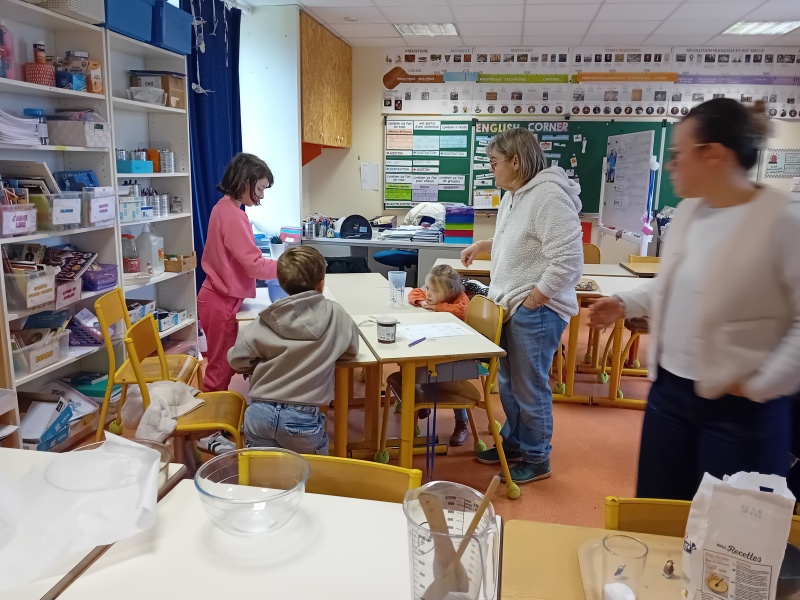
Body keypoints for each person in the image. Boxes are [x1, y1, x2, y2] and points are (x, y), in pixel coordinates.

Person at [588, 98, 799, 501]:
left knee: (727, 525)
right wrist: (625, 303)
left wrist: (761, 384)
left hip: (742, 409)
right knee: (657, 506)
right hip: (670, 394)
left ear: (714, 155)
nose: (670, 165)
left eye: (677, 154)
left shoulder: (783, 219)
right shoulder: (688, 211)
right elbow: (669, 285)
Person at [461, 127, 584, 484]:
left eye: (494, 162)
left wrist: (534, 300)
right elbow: (516, 237)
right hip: (510, 305)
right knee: (509, 383)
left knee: (529, 387)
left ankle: (537, 457)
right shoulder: (515, 195)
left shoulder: (548, 196)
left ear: (515, 162)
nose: (491, 169)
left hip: (537, 310)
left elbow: (568, 261)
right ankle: (515, 442)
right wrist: (483, 245)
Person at [228, 246, 360, 454]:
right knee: (313, 471)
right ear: (321, 283)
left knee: (263, 471)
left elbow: (237, 359)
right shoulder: (336, 314)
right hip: (302, 417)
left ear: (281, 283)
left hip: (259, 412)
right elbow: (351, 350)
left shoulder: (267, 317)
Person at [197, 153, 278, 394]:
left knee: (221, 365)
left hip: (217, 297)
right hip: (219, 300)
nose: (262, 195)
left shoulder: (223, 208)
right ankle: (211, 415)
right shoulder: (233, 215)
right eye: (260, 188)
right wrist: (287, 266)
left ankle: (214, 409)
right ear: (244, 182)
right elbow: (254, 265)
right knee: (220, 369)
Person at [408, 264, 472, 446]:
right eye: (429, 288)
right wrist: (422, 302)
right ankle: (422, 400)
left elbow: (462, 311)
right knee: (419, 362)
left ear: (450, 291)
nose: (428, 293)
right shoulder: (429, 295)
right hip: (437, 346)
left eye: (434, 291)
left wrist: (437, 307)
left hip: (459, 356)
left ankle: (462, 422)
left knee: (452, 381)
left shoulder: (460, 298)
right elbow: (414, 293)